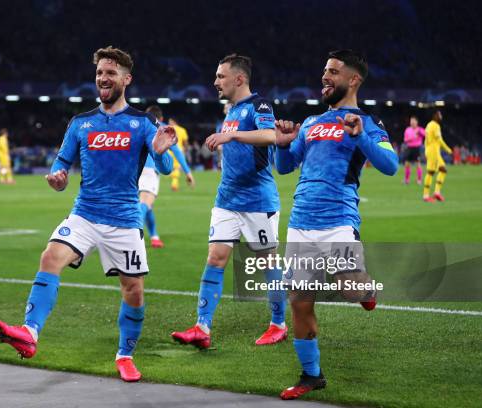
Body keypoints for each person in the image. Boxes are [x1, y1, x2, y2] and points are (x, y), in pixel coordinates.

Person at [0, 46, 176, 383]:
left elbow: (163, 165)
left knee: (133, 291)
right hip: (85, 213)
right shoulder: (80, 123)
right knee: (50, 257)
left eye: (110, 73)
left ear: (126, 79)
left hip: (123, 218)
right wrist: (57, 180)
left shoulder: (141, 122)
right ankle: (30, 333)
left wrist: (163, 154)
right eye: (99, 74)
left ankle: (125, 355)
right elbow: (60, 166)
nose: (103, 79)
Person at [274, 49, 398, 400]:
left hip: (338, 220)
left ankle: (368, 291)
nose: (325, 77)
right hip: (301, 222)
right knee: (299, 300)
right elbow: (285, 166)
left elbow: (390, 165)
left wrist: (359, 137)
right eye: (324, 71)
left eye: (333, 72)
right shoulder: (312, 122)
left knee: (350, 290)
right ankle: (311, 376)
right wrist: (283, 145)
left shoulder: (368, 122)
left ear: (353, 80)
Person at [171, 54, 288, 349]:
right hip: (227, 199)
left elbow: (270, 135)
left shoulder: (258, 105)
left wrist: (231, 136)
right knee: (215, 258)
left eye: (221, 76)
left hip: (258, 200)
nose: (215, 81)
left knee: (267, 262)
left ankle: (278, 324)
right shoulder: (232, 110)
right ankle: (202, 326)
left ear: (239, 79)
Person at [139, 105, 195, 248]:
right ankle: (132, 233)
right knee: (145, 203)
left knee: (147, 205)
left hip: (134, 170)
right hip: (150, 170)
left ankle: (154, 236)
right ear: (161, 118)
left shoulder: (139, 125)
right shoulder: (165, 129)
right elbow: (177, 152)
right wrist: (188, 172)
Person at [423, 110, 452, 202]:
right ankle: (426, 196)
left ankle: (437, 192)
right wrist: (448, 149)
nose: (441, 116)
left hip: (433, 150)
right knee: (430, 172)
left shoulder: (429, 125)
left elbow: (426, 139)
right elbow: (439, 140)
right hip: (433, 151)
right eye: (439, 114)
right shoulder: (435, 126)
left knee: (443, 170)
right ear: (435, 116)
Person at [167, 117, 190, 191]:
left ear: (174, 121)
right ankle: (174, 183)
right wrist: (186, 149)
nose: (169, 123)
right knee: (177, 168)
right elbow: (185, 141)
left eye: (170, 121)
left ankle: (174, 183)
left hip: (169, 150)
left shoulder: (167, 129)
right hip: (179, 151)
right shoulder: (182, 130)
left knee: (172, 168)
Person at [403, 115, 425, 184]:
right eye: (411, 121)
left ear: (416, 122)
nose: (412, 122)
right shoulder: (407, 130)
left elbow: (426, 135)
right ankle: (407, 180)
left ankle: (419, 180)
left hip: (417, 148)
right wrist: (413, 137)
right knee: (407, 164)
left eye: (413, 121)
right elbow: (405, 140)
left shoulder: (420, 129)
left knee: (418, 164)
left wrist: (420, 133)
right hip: (409, 148)